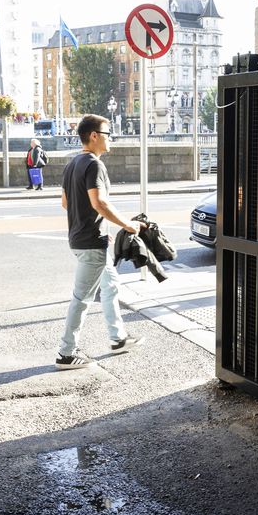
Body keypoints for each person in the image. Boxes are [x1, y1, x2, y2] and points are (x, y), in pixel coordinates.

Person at [57, 114, 145, 368]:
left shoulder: (72, 163)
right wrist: (127, 224)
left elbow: (66, 202)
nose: (111, 139)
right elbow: (99, 202)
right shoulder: (94, 165)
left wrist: (92, 223)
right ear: (94, 136)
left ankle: (118, 338)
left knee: (110, 286)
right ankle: (66, 353)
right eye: (108, 133)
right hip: (90, 243)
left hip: (83, 238)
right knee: (82, 298)